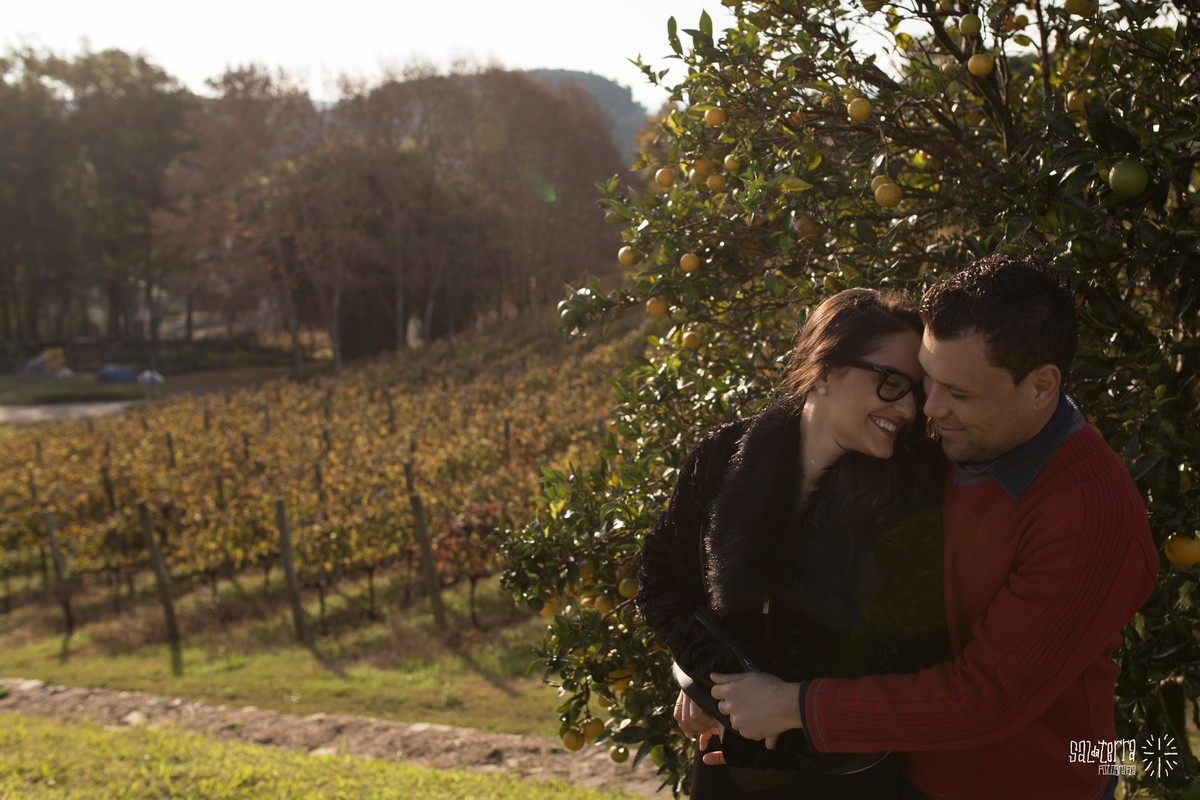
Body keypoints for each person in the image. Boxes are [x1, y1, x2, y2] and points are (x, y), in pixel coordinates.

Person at [707, 255, 1159, 800]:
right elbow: (792, 529)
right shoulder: (942, 438)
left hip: (1027, 783)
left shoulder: (1091, 519)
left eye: (959, 393)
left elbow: (986, 697)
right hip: (894, 768)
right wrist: (710, 674)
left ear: (1041, 388)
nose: (930, 408)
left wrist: (790, 705)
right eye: (927, 380)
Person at [636, 288, 948, 798]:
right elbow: (663, 584)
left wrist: (785, 706)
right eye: (891, 383)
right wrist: (713, 681)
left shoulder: (910, 495)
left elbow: (913, 659)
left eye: (916, 389)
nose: (910, 408)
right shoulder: (722, 458)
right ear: (825, 370)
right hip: (726, 768)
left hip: (845, 778)